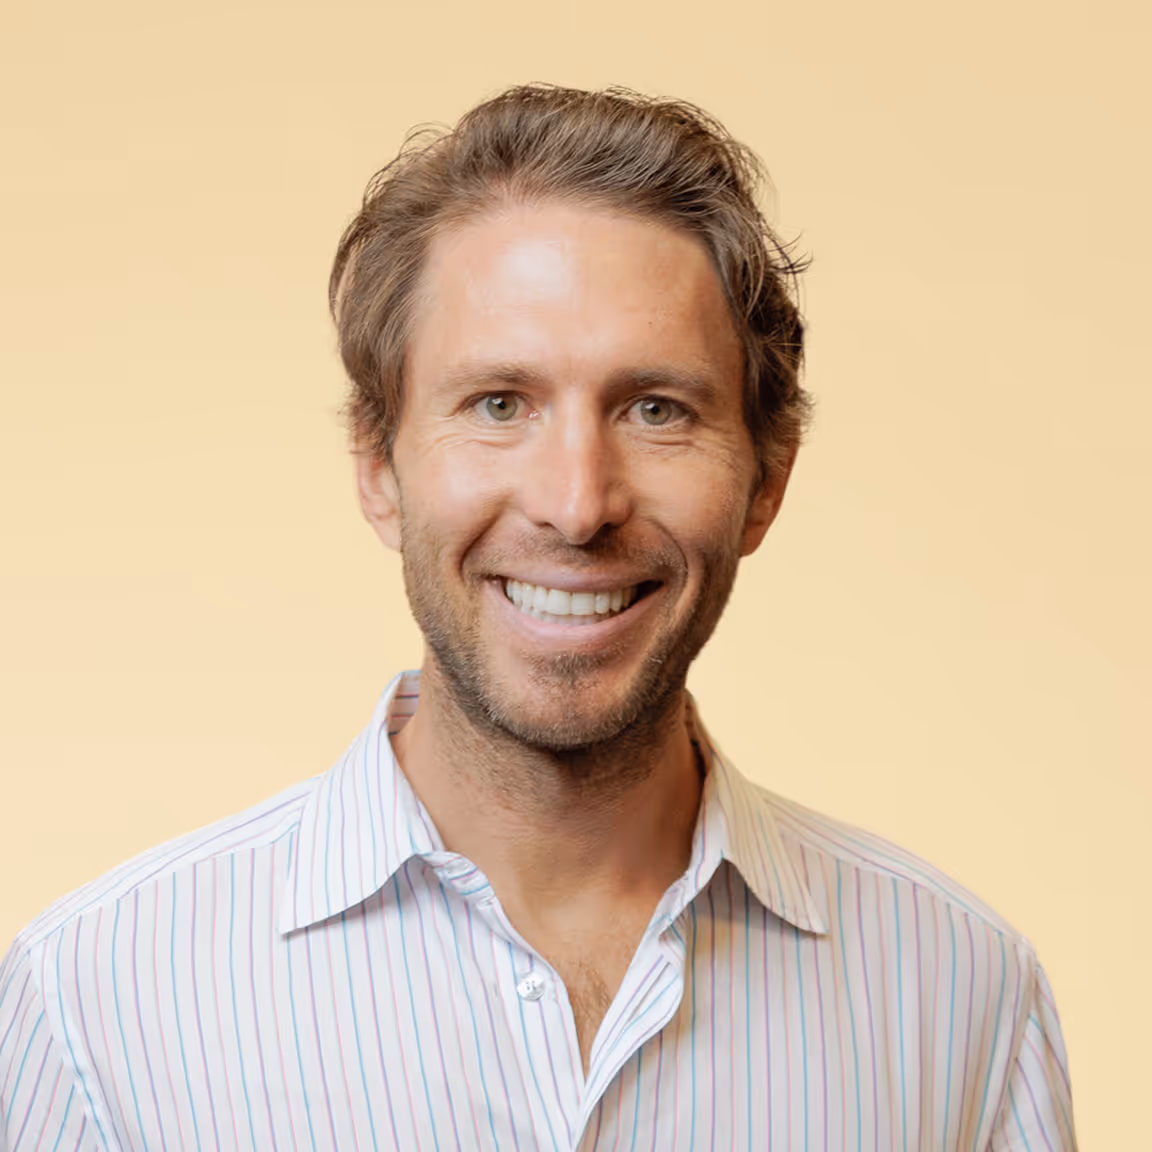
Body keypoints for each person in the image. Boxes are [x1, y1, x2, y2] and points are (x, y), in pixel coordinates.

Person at [0, 85, 1075, 1151]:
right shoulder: (96, 1006)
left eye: (655, 409)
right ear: (377, 466)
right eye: (499, 404)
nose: (576, 503)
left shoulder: (966, 998)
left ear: (768, 478)